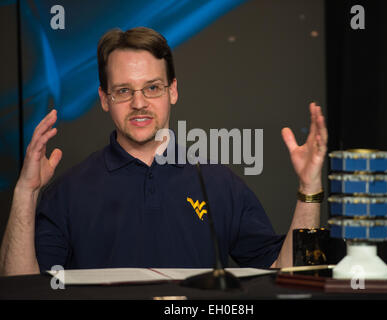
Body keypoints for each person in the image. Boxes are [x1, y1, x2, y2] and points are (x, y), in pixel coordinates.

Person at [0, 27, 328, 276]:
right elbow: (22, 289)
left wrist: (310, 188)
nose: (139, 103)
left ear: (172, 90)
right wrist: (25, 193)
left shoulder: (218, 183)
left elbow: (289, 273)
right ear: (104, 99)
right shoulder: (66, 193)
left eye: (152, 88)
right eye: (123, 91)